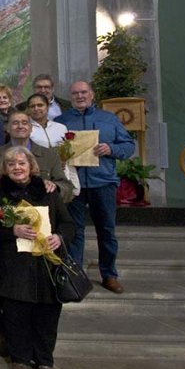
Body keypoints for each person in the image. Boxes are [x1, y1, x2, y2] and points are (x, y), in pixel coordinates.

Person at [0, 146, 74, 369]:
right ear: (4, 168)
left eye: (22, 163)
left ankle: (45, 360)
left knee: (47, 315)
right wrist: (12, 230)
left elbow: (67, 224)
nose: (17, 168)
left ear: (31, 166)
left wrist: (59, 237)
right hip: (12, 266)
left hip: (46, 265)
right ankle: (19, 358)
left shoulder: (48, 190)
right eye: (11, 164)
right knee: (16, 315)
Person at [56, 81, 135, 294]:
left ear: (92, 94)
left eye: (84, 92)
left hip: (103, 182)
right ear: (70, 96)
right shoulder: (62, 122)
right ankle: (76, 276)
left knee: (106, 230)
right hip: (74, 184)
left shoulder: (108, 119)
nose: (80, 96)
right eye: (75, 93)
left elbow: (129, 146)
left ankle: (109, 275)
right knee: (75, 231)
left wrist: (111, 148)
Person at [0, 111, 75, 204]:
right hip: (9, 209)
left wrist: (55, 187)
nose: (20, 126)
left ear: (31, 128)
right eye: (15, 123)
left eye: (24, 123)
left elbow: (67, 187)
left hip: (44, 208)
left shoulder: (50, 155)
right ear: (7, 128)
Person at [26, 93, 79, 197]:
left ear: (47, 107)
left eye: (40, 105)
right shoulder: (26, 129)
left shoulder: (61, 127)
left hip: (61, 173)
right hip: (39, 173)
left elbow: (67, 152)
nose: (36, 108)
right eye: (32, 106)